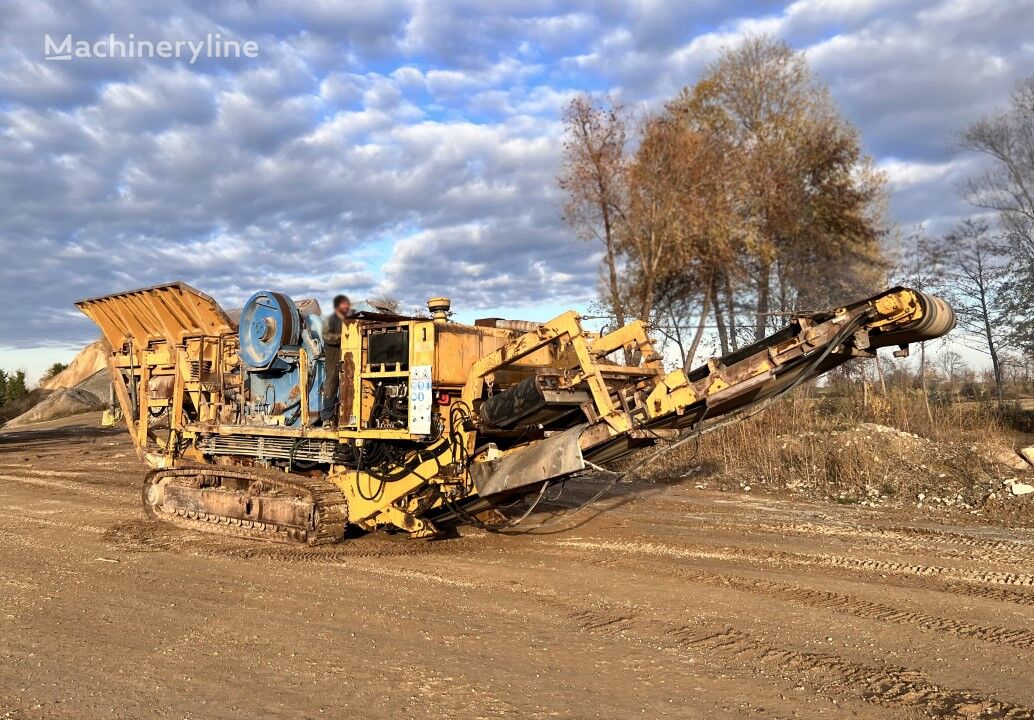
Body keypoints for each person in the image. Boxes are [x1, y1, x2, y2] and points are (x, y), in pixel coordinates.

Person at [320, 294, 352, 426]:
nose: (346, 306)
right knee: (331, 386)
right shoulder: (330, 320)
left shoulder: (350, 320)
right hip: (333, 358)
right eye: (344, 304)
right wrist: (342, 337)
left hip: (348, 359)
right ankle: (326, 418)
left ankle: (346, 417)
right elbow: (326, 336)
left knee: (349, 386)